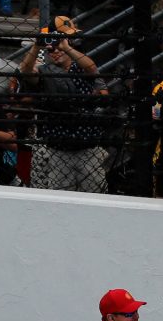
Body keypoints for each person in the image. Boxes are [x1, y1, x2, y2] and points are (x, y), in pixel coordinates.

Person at [19, 17, 107, 192]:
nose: (56, 49)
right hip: (58, 148)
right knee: (60, 198)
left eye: (63, 41)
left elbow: (91, 68)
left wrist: (66, 47)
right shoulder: (46, 71)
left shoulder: (80, 65)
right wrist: (37, 45)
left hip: (87, 145)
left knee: (95, 195)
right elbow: (26, 71)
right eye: (52, 46)